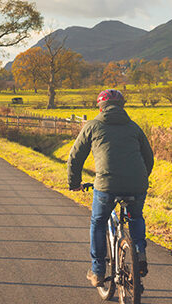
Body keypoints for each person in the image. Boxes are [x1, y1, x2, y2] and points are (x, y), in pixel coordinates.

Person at [67, 89, 154, 287]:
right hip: (137, 184)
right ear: (122, 106)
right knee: (136, 217)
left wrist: (74, 184)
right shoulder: (134, 127)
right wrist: (139, 179)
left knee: (98, 222)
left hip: (106, 185)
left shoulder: (92, 126)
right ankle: (139, 252)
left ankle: (97, 271)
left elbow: (75, 157)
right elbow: (148, 158)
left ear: (100, 107)